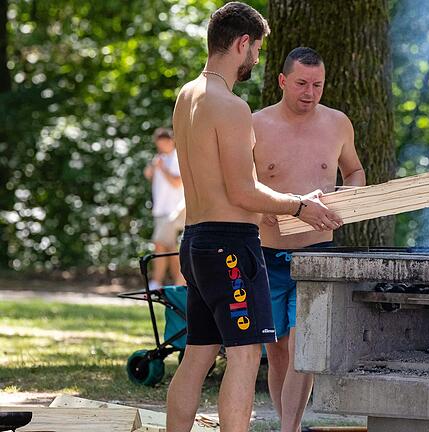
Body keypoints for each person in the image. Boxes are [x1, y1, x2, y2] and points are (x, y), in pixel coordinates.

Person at [165, 4, 343, 432]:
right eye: (257, 49)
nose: (257, 60)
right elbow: (242, 191)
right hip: (230, 245)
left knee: (198, 354)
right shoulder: (230, 105)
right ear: (242, 42)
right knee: (245, 355)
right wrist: (301, 204)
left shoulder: (187, 95)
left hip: (196, 241)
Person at [251, 47, 365, 432]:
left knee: (304, 349)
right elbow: (238, 186)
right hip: (265, 252)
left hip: (318, 254)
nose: (310, 92)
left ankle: (290, 429)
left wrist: (349, 197)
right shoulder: (254, 124)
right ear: (283, 81)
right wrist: (260, 207)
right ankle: (289, 425)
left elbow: (355, 171)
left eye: (317, 84)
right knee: (278, 351)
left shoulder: (338, 123)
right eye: (301, 83)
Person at [143, 127, 186, 291]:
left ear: (171, 141)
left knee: (159, 244)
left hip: (174, 210)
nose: (163, 145)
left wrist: (163, 169)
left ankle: (156, 282)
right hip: (160, 210)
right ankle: (178, 284)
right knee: (170, 248)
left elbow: (177, 182)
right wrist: (154, 167)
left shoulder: (176, 157)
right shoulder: (159, 158)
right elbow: (148, 175)